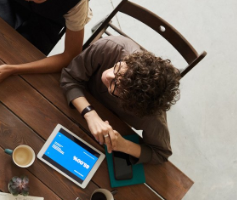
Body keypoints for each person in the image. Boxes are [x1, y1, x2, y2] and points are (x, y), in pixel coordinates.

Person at [60, 36, 181, 164]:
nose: (108, 75)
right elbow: (69, 78)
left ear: (131, 103)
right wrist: (91, 115)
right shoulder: (111, 47)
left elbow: (161, 154)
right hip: (72, 105)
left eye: (116, 86)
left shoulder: (152, 115)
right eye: (118, 69)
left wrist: (124, 145)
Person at [0, 0, 93, 87]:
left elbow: (71, 55)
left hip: (45, 25)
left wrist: (14, 69)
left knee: (10, 80)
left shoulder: (77, 4)